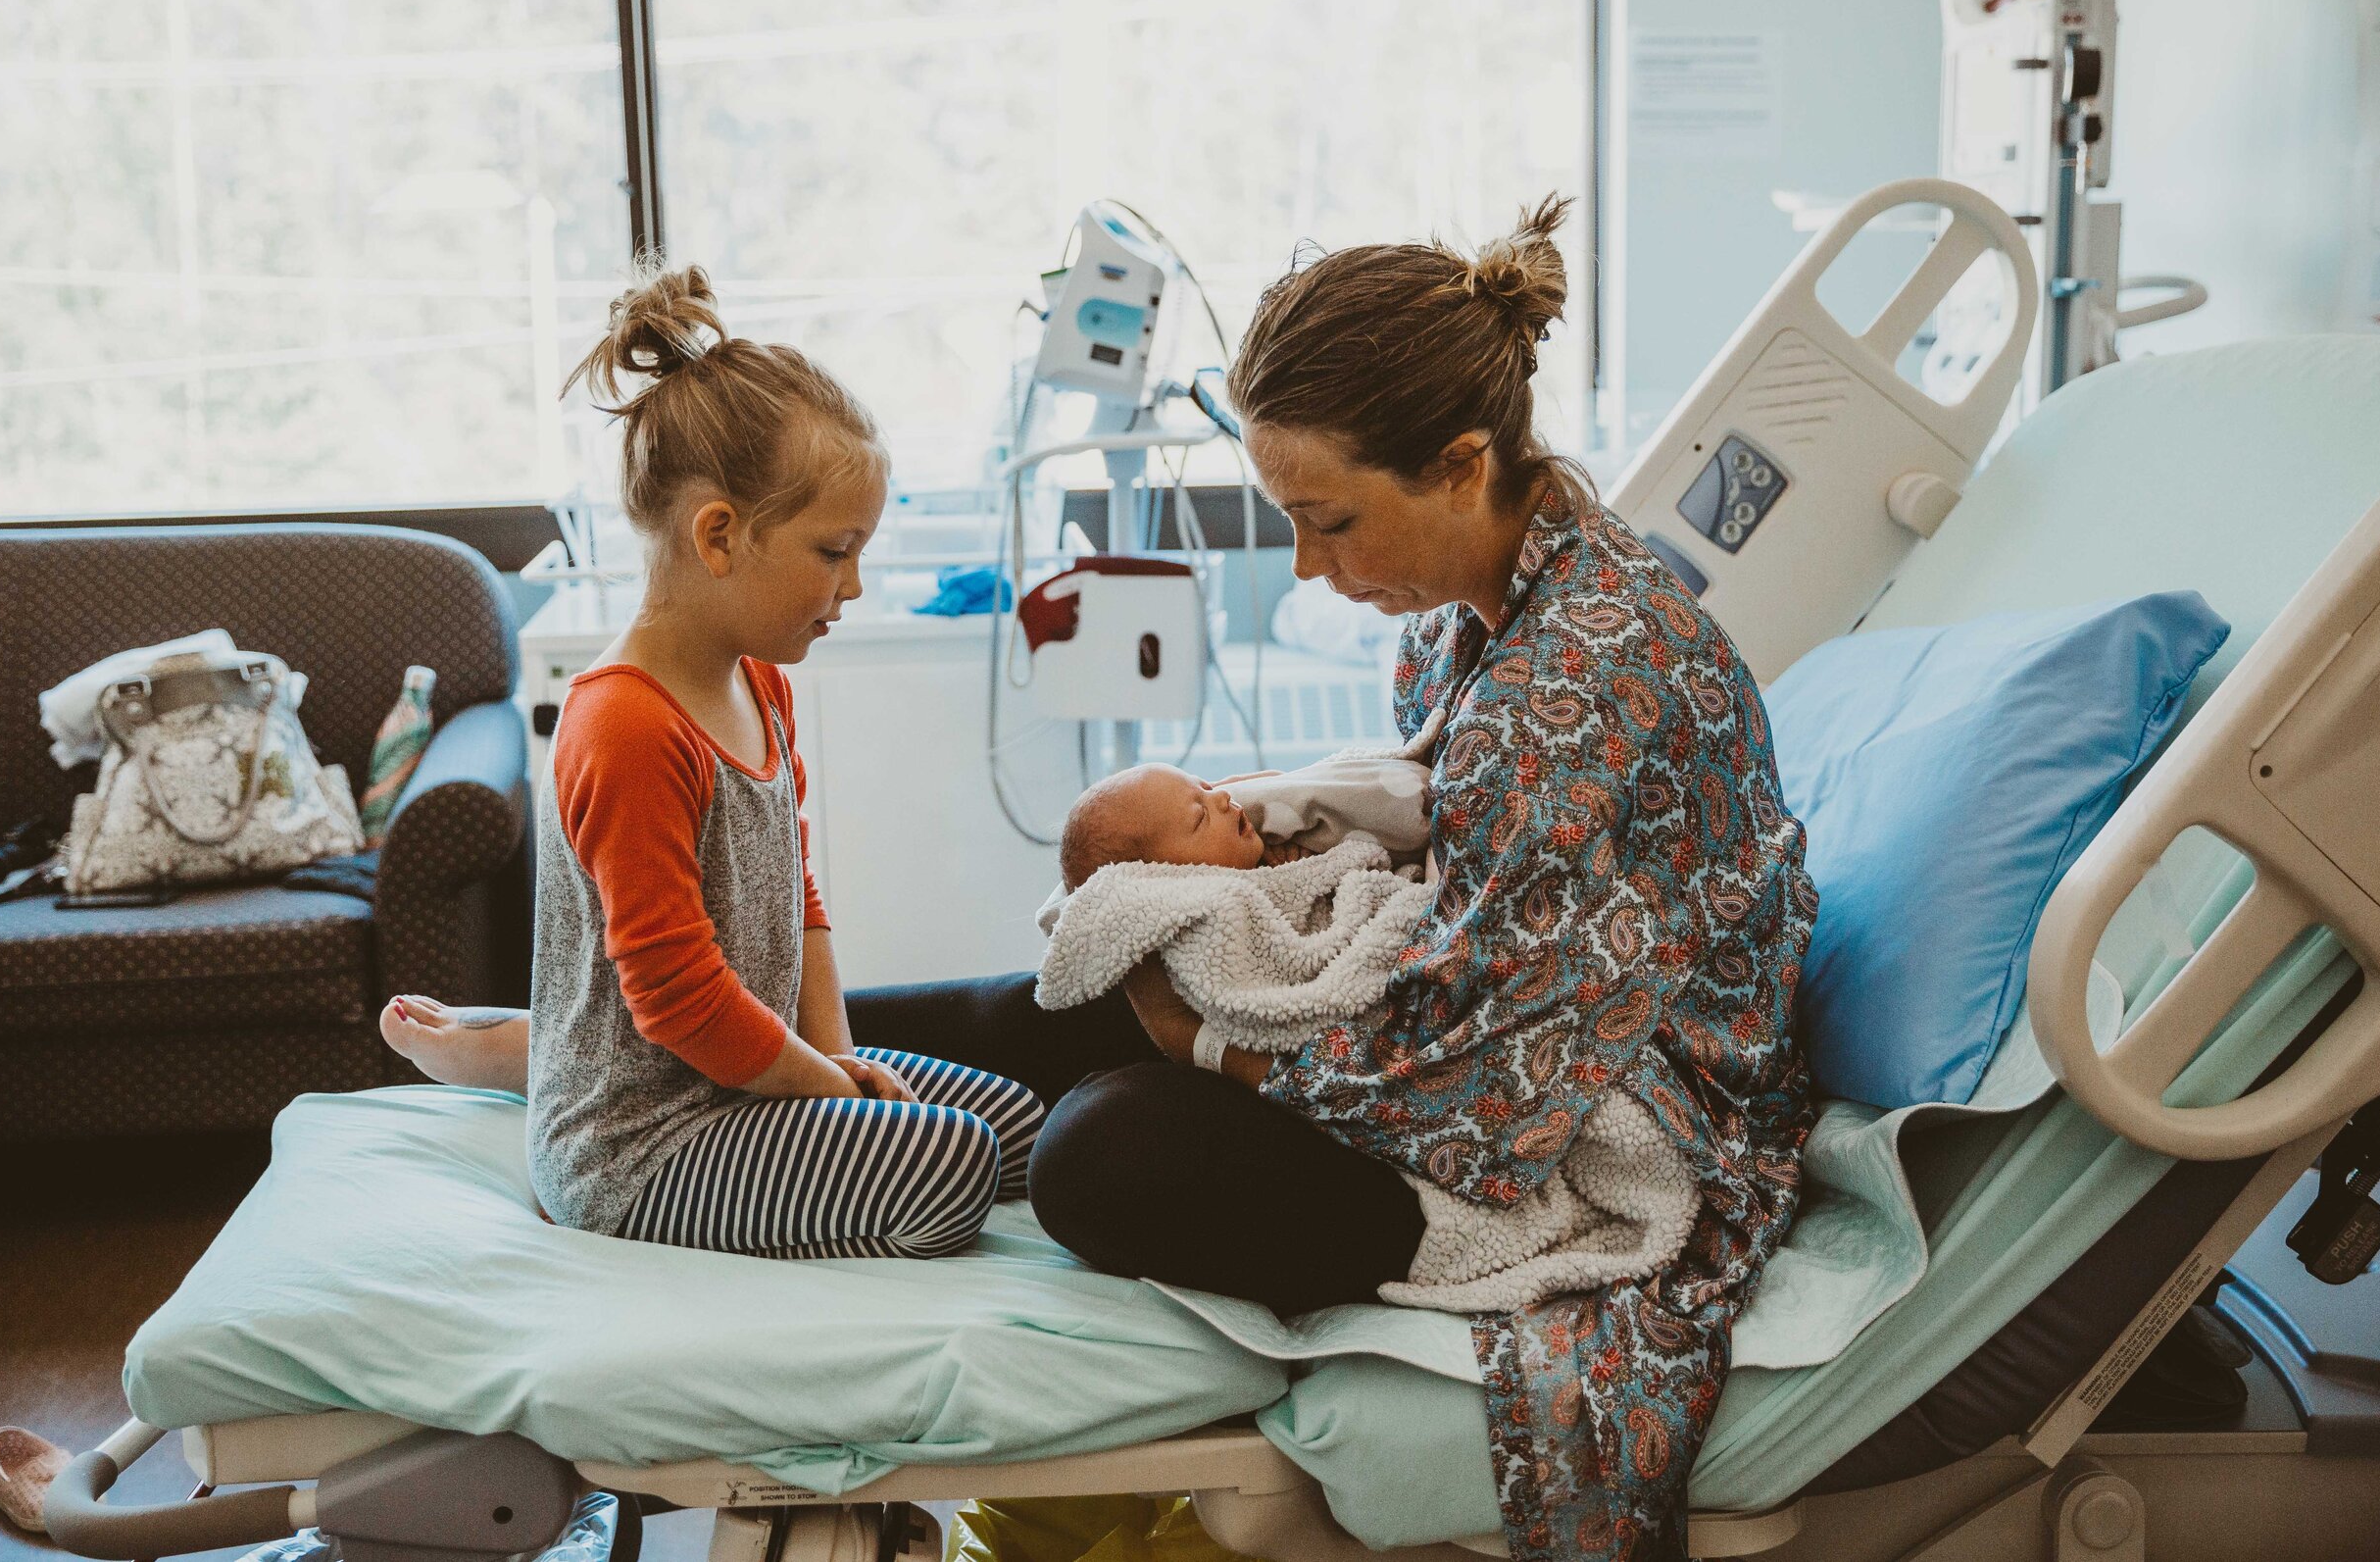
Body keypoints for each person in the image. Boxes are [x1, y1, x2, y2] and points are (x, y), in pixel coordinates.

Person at [1027, 197, 1816, 1562]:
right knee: (1068, 971)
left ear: (1460, 463)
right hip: (1471, 1016)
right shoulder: (1483, 602)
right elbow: (1441, 882)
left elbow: (1490, 1090)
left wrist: (1215, 1043)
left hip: (1594, 1126)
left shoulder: (1576, 686)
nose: (1310, 565)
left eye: (1328, 520)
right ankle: (762, 1097)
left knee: (1101, 1146)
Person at [466, 260, 1046, 1264]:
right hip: (645, 1140)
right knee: (948, 1168)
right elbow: (678, 994)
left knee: (1026, 1128)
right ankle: (522, 1060)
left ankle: (518, 1047)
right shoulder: (626, 726)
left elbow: (799, 894)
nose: (854, 584)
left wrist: (837, 1058)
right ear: (720, 535)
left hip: (748, 1078)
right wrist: (832, 1099)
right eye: (834, 550)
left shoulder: (760, 683)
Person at [1056, 753, 1429, 888]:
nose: (1221, 796)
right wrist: (1312, 880)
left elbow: (1296, 785)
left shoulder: (1262, 847)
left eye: (1203, 785)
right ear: (1167, 877)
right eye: (1200, 815)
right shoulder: (1226, 908)